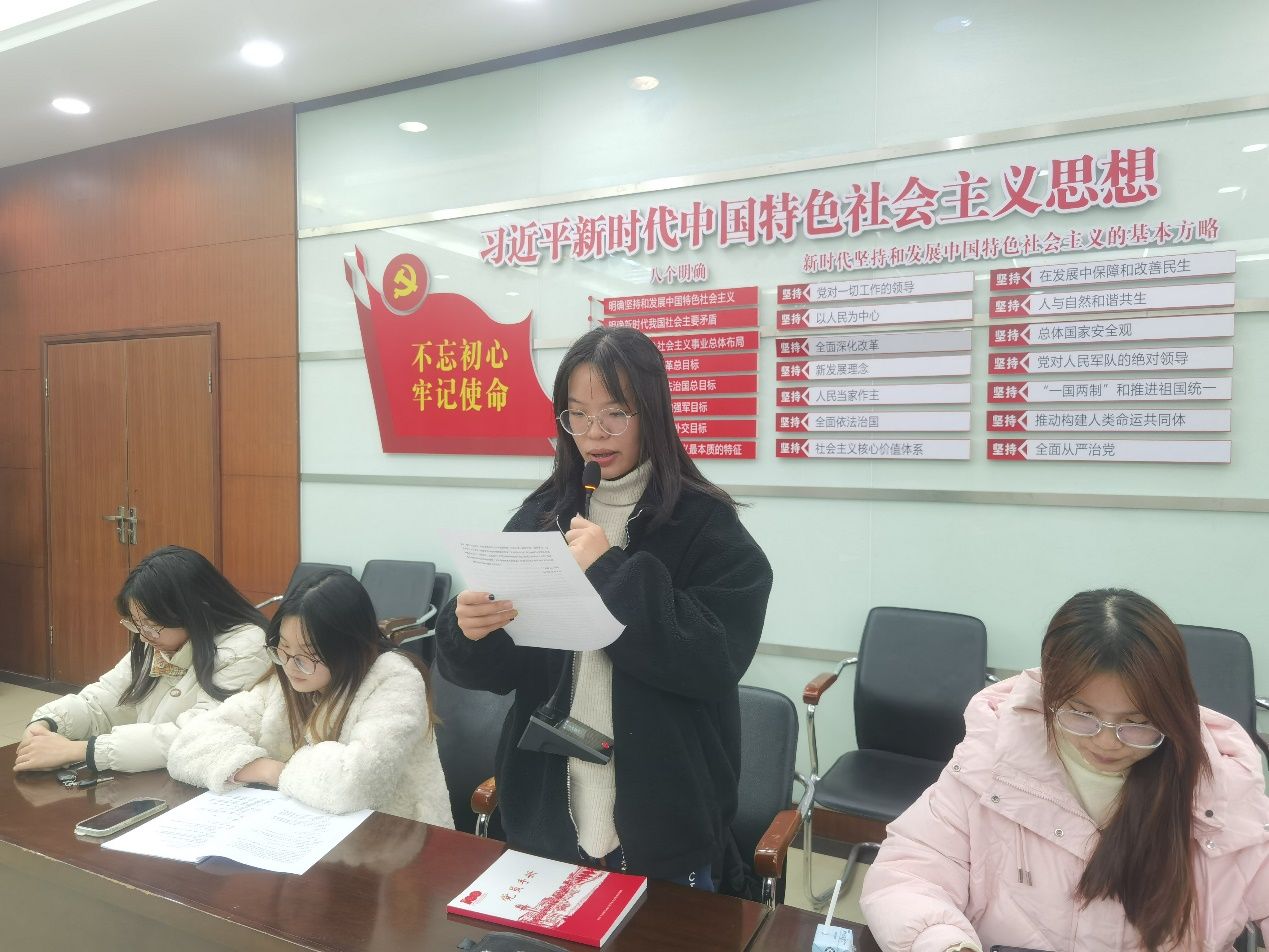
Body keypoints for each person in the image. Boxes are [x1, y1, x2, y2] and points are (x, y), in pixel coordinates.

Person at [435, 325, 772, 892]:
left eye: (615, 413)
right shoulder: (544, 514)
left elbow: (713, 660)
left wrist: (611, 568)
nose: (594, 433)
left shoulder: (705, 524)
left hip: (662, 823)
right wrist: (468, 629)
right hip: (548, 812)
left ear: (652, 413)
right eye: (578, 415)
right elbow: (504, 670)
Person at [860, 588, 1269, 952]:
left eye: (1137, 722)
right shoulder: (989, 764)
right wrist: (946, 943)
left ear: (1170, 710)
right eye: (1082, 714)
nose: (1106, 742)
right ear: (1049, 697)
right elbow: (909, 873)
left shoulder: (1221, 792)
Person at [167, 569, 453, 827]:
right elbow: (189, 745)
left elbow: (353, 784)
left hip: (395, 838)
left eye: (307, 654)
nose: (290, 666)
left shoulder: (395, 680)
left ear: (347, 648)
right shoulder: (286, 679)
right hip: (306, 829)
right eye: (283, 648)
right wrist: (269, 770)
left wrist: (276, 772)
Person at [16, 545, 268, 775]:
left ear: (196, 610)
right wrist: (48, 723)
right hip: (162, 777)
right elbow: (105, 699)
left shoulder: (246, 647)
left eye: (152, 625)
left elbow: (198, 735)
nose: (144, 636)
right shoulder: (158, 641)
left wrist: (82, 750)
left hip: (219, 781)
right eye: (137, 624)